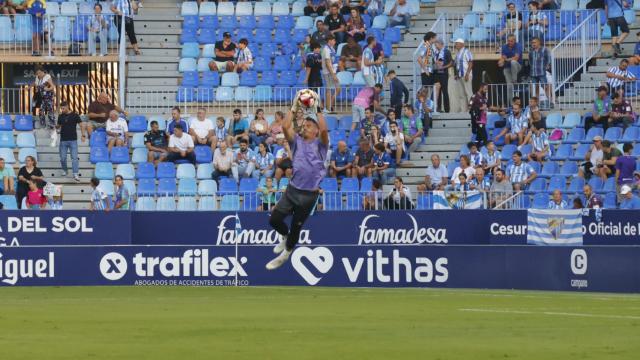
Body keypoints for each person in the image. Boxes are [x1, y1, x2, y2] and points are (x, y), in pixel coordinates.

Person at [266, 91, 329, 270]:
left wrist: (317, 110)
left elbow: (324, 130)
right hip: (293, 189)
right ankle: (284, 237)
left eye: (310, 125)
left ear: (316, 131)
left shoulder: (321, 144)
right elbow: (285, 128)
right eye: (305, 124)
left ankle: (286, 254)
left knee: (296, 227)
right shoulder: (297, 142)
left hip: (309, 195)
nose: (306, 126)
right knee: (274, 220)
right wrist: (294, 107)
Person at [56, 101, 82, 181]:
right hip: (63, 140)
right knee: (62, 158)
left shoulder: (75, 115)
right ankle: (65, 170)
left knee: (74, 158)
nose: (62, 110)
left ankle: (75, 173)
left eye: (63, 108)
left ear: (67, 106)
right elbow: (59, 126)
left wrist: (83, 134)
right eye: (61, 108)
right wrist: (56, 127)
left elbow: (81, 124)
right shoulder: (60, 116)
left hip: (73, 140)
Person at [32, 66, 55, 134]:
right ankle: (43, 125)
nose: (38, 74)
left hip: (48, 96)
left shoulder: (47, 76)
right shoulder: (37, 78)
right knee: (41, 111)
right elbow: (36, 85)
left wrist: (47, 89)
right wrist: (36, 89)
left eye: (39, 73)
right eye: (37, 73)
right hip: (41, 96)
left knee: (50, 110)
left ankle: (52, 125)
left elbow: (52, 86)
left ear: (42, 71)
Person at [529, 37, 552, 105]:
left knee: (545, 86)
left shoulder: (545, 50)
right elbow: (530, 61)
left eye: (535, 42)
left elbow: (548, 58)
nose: (533, 44)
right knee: (535, 88)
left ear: (539, 42)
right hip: (533, 73)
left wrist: (547, 65)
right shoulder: (531, 52)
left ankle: (550, 101)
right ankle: (537, 103)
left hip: (542, 72)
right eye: (532, 43)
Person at [322, 35, 341, 114]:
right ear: (329, 40)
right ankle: (327, 109)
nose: (335, 42)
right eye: (334, 40)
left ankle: (330, 105)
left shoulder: (332, 48)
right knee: (329, 89)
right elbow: (327, 63)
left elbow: (333, 61)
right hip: (328, 72)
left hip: (333, 71)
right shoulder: (326, 49)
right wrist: (333, 74)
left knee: (338, 89)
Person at [453, 39, 473, 112]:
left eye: (457, 43)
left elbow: (470, 63)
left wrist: (467, 74)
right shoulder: (458, 53)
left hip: (465, 75)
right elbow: (456, 65)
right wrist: (456, 74)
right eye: (455, 44)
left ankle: (471, 109)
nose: (455, 45)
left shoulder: (467, 51)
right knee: (461, 94)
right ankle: (463, 110)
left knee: (468, 93)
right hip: (459, 76)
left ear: (462, 44)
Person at [433, 40, 453, 113]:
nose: (435, 45)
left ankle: (447, 109)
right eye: (435, 44)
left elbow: (451, 62)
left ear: (441, 44)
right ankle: (438, 108)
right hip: (436, 74)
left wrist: (443, 67)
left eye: (436, 44)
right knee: (438, 91)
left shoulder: (446, 51)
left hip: (443, 74)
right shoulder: (435, 52)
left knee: (445, 91)